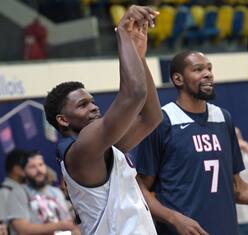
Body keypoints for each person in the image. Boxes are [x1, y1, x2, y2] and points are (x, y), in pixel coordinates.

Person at [133, 50, 248, 235]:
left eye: (209, 68)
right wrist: (173, 218)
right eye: (198, 69)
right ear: (178, 79)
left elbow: (237, 187)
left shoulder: (223, 118)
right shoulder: (163, 121)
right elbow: (141, 188)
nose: (208, 74)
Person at [43, 5, 162, 235]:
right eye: (82, 104)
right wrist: (122, 34)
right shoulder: (80, 152)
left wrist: (139, 57)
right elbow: (134, 93)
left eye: (93, 101)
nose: (94, 107)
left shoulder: (103, 148)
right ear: (63, 120)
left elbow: (150, 117)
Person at [6, 151, 79, 234]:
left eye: (41, 165)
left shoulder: (56, 192)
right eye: (32, 167)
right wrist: (58, 225)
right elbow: (22, 229)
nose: (38, 170)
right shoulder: (18, 193)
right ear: (23, 172)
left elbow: (69, 225)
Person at [0, 149, 29, 235]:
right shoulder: (4, 192)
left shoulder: (29, 187)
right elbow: (2, 224)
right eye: (27, 165)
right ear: (16, 169)